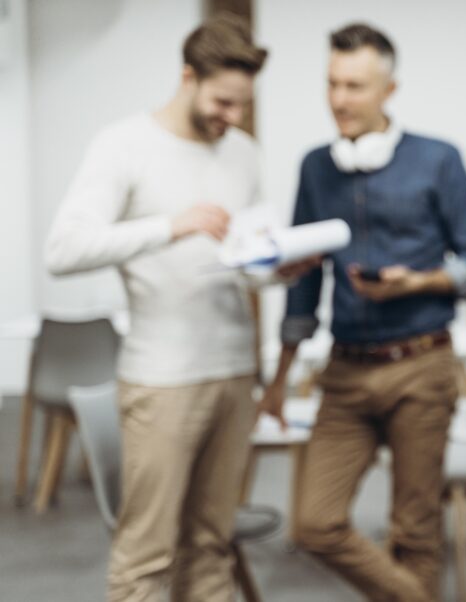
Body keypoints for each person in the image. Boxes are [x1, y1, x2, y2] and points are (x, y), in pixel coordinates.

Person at [44, 15, 283, 602]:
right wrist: (169, 227)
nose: (232, 116)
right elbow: (63, 249)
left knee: (212, 547)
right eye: (223, 101)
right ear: (187, 77)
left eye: (242, 105)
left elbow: (236, 261)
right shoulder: (124, 145)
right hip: (163, 382)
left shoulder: (243, 153)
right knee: (146, 558)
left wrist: (276, 268)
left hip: (232, 375)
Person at [258, 23, 466, 602]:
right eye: (332, 84)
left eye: (355, 86)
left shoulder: (439, 159)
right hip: (344, 373)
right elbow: (304, 280)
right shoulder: (316, 167)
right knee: (314, 523)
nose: (340, 99)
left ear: (390, 89)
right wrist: (280, 380)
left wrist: (421, 281)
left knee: (415, 530)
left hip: (422, 364)